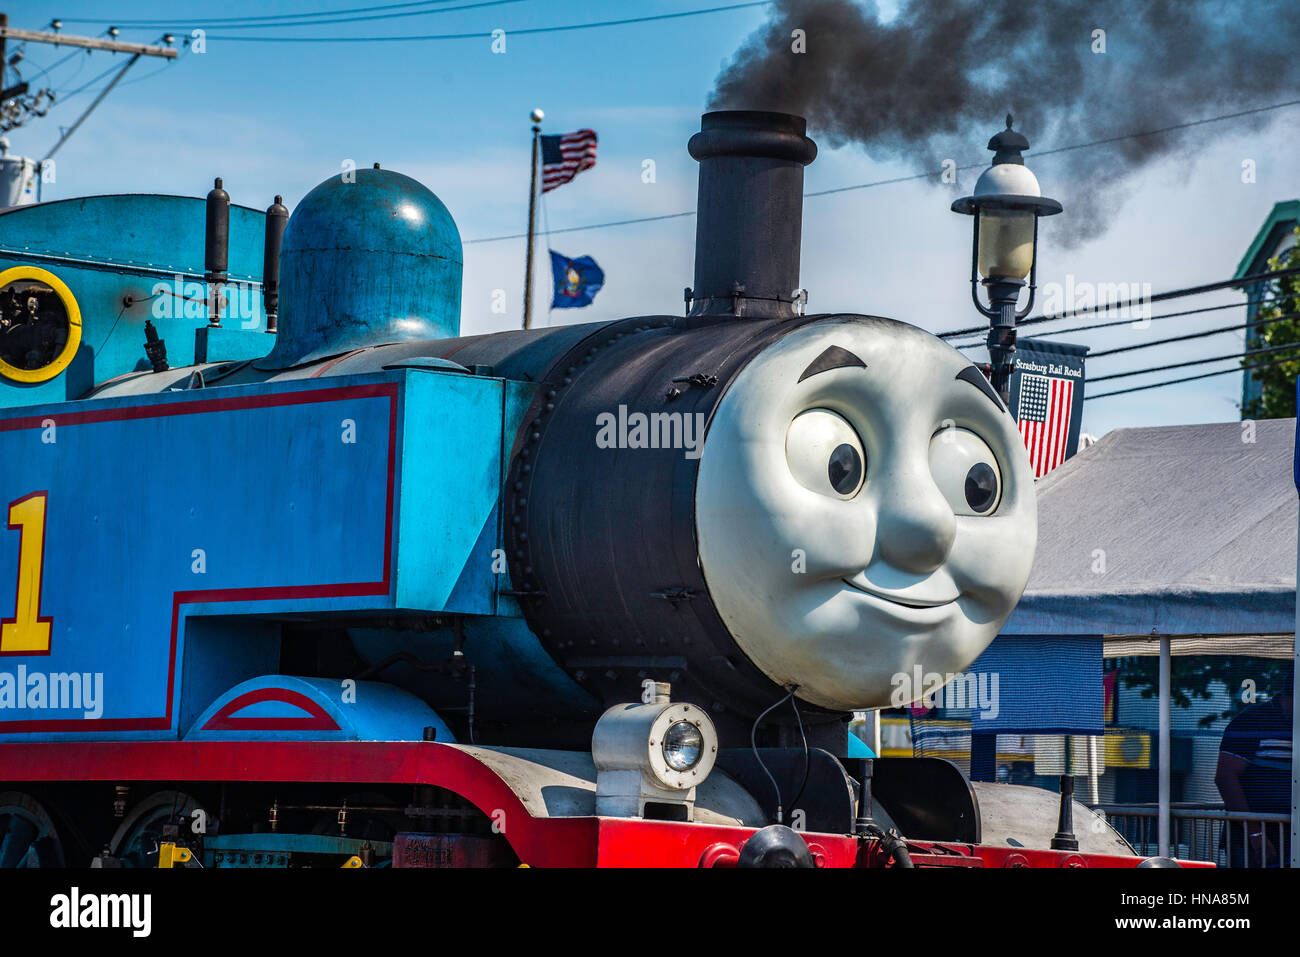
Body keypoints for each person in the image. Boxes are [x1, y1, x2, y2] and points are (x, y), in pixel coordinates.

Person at [1214, 672, 1292, 867]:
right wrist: (1255, 834)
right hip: (1253, 840)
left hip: (1290, 837)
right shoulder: (1252, 720)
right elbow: (1225, 777)